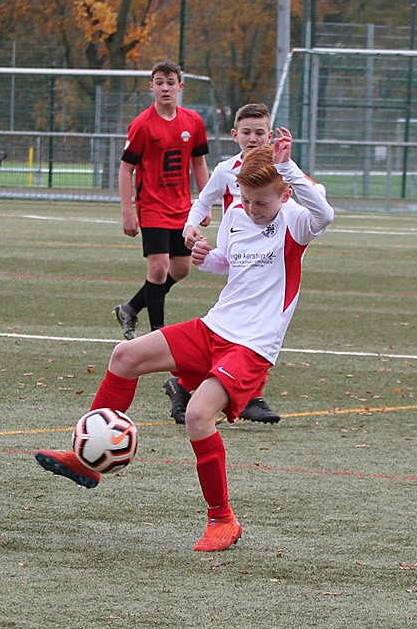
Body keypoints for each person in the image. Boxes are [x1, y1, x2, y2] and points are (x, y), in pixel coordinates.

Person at [36, 135, 334, 552]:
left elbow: (326, 213)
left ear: (283, 195)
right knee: (124, 356)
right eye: (246, 199)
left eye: (261, 203)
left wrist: (287, 169)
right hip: (214, 327)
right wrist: (206, 256)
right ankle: (87, 460)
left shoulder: (296, 221)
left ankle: (222, 518)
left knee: (196, 415)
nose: (251, 209)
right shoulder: (236, 214)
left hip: (252, 346)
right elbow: (227, 263)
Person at [110, 59, 211, 424]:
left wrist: (203, 203)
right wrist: (128, 211)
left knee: (181, 270)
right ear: (151, 87)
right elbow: (126, 169)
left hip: (182, 209)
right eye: (159, 82)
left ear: (181, 87)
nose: (165, 87)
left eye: (171, 82)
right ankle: (156, 337)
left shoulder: (193, 122)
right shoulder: (142, 125)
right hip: (152, 208)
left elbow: (199, 164)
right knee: (158, 269)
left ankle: (130, 308)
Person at [181, 102, 284, 424]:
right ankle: (191, 386)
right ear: (234, 134)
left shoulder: (280, 169)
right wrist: (190, 226)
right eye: (246, 132)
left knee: (260, 321)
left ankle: (247, 395)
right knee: (243, 325)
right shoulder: (226, 170)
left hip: (269, 250)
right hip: (236, 251)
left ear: (270, 135)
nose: (253, 139)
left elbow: (313, 191)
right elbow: (204, 200)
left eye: (259, 133)